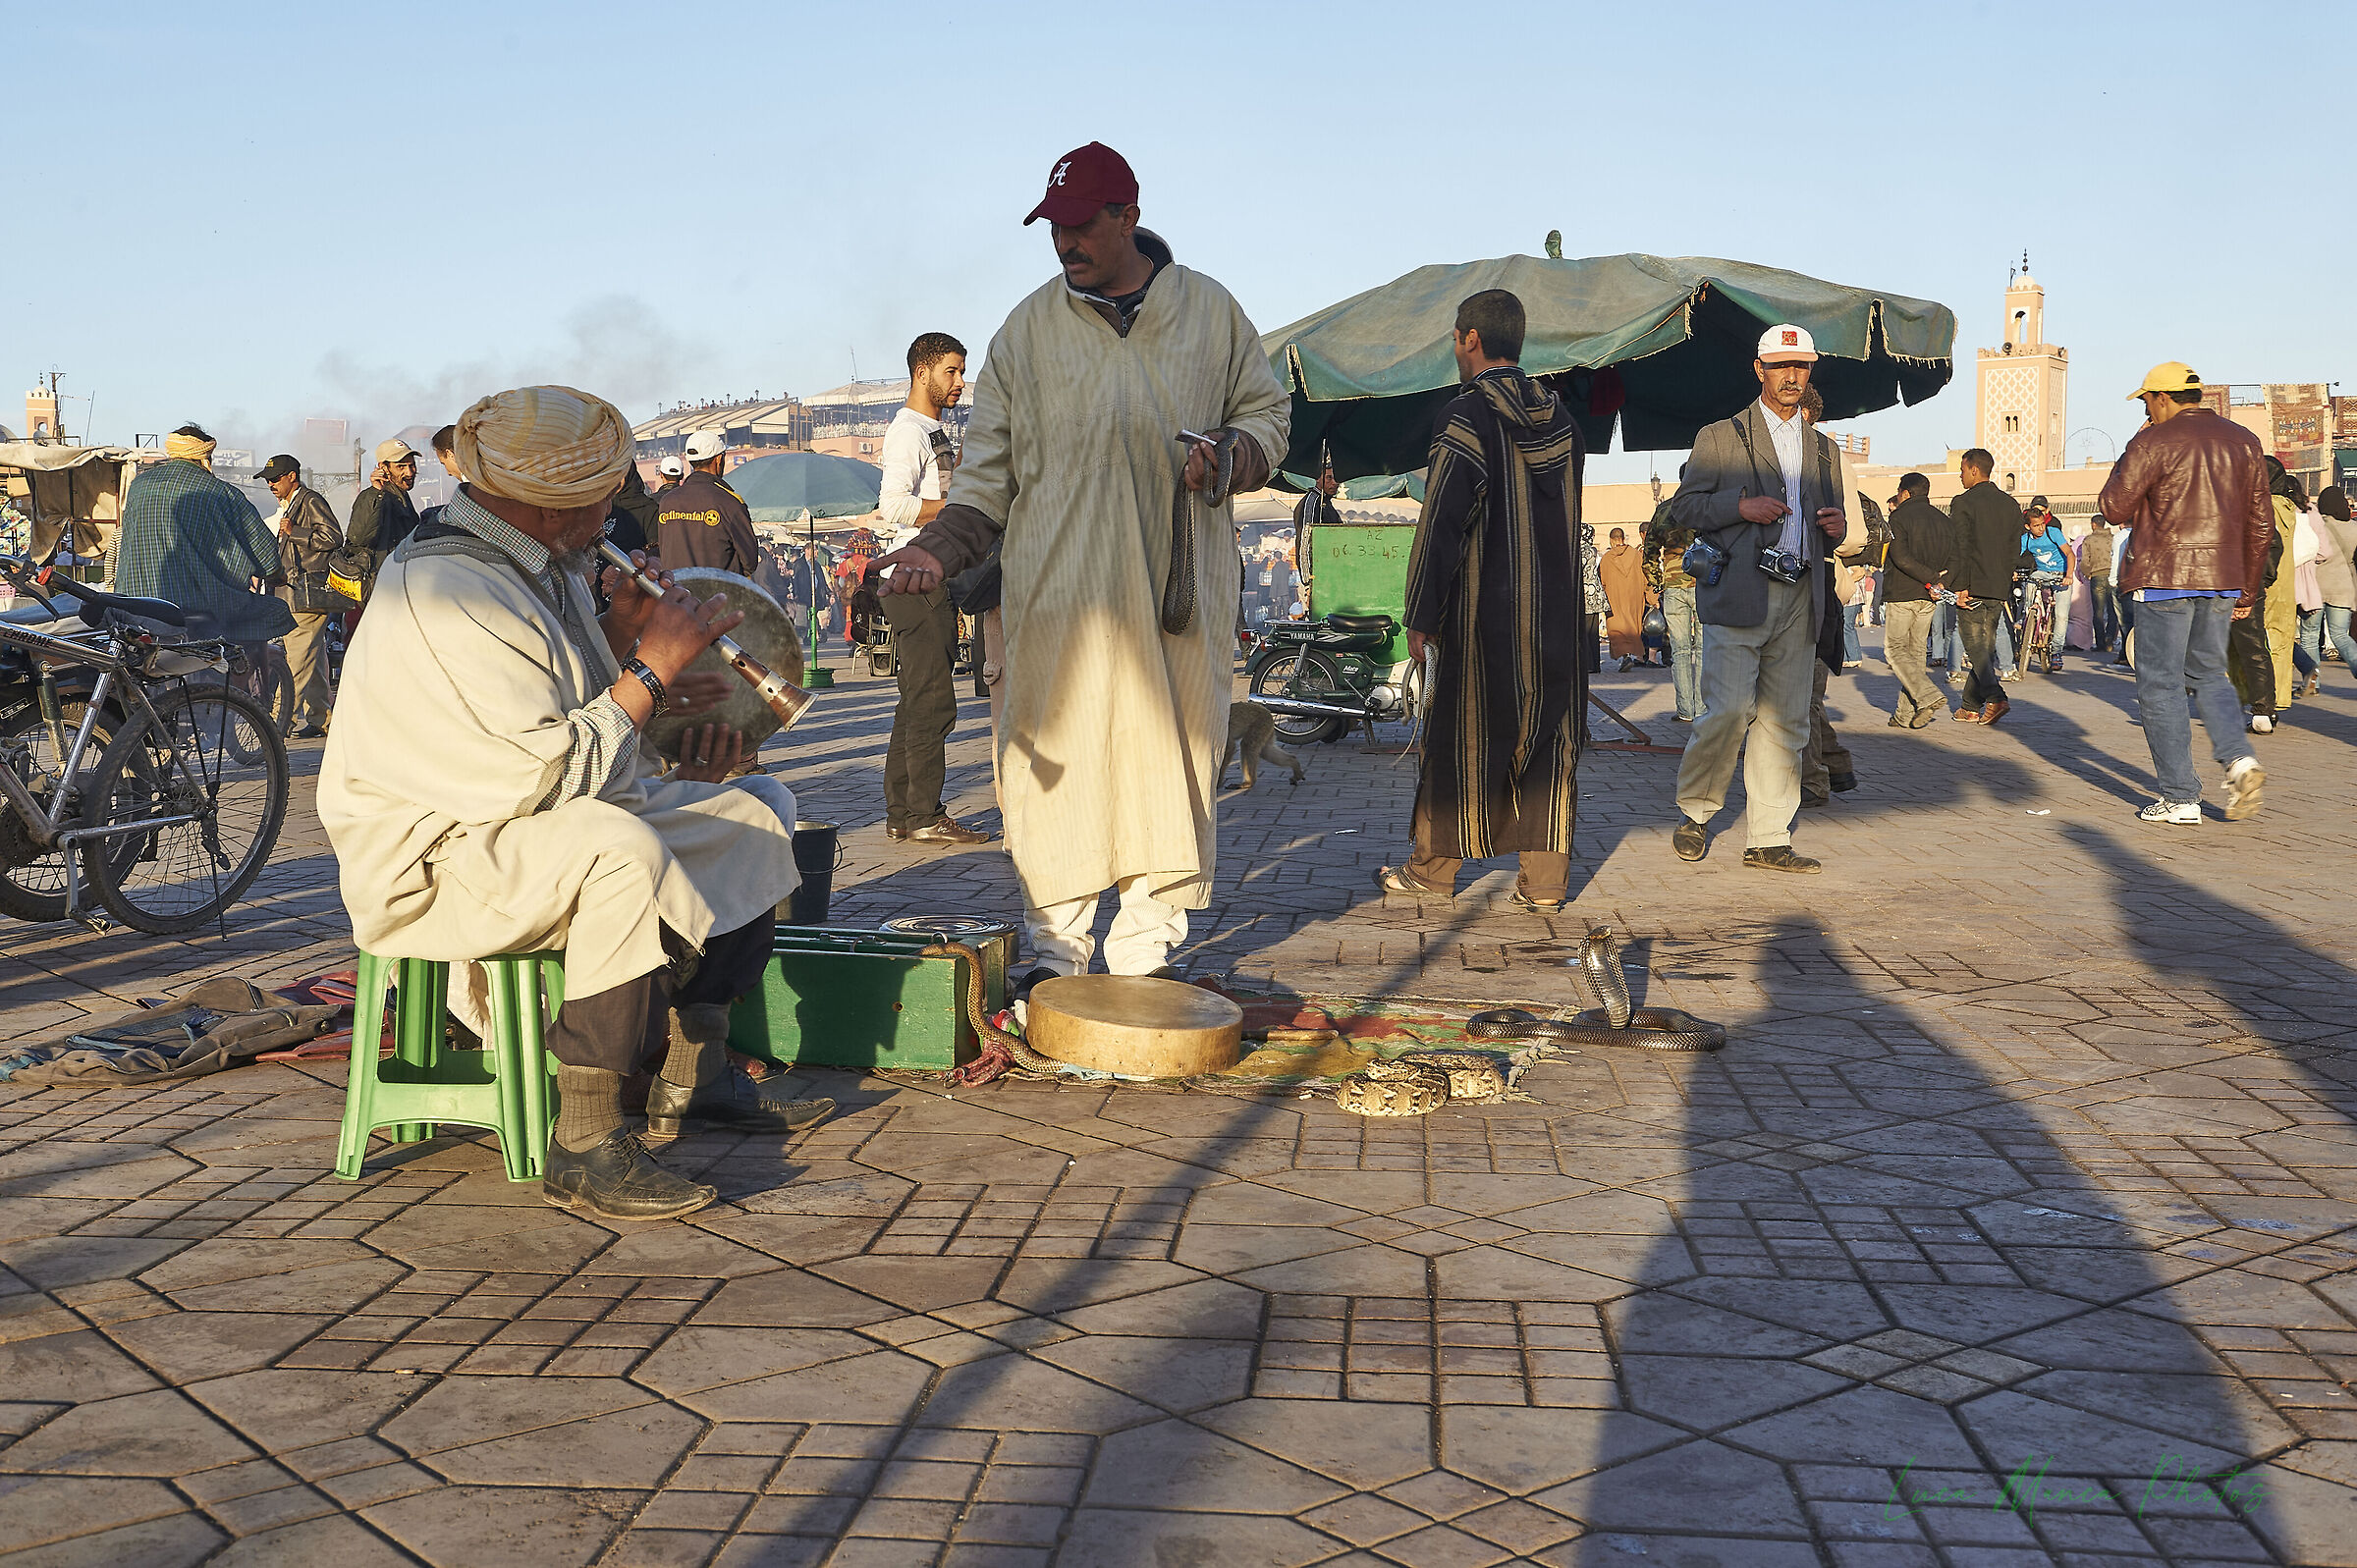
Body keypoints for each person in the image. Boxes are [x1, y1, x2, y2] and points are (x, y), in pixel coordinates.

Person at [317, 385, 830, 1223]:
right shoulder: (451, 588)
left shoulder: (536, 564)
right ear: (552, 505)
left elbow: (580, 717)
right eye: (601, 497)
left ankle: (694, 1074)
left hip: (527, 821)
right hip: (438, 853)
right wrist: (652, 668)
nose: (611, 516)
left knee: (757, 807)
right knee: (615, 848)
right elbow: (548, 779)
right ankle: (585, 1140)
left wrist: (629, 641)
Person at [870, 139, 1288, 983]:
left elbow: (1268, 419)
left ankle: (1143, 955)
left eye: (1081, 225)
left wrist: (1230, 453)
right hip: (1056, 601)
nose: (1064, 243)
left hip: (1174, 601)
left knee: (1169, 765)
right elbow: (986, 481)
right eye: (1053, 227)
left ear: (1127, 217)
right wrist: (934, 549)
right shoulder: (1025, 333)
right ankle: (1057, 954)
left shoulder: (1211, 313)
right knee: (1054, 773)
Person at [1371, 290, 1583, 913]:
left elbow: (1442, 522)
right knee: (1549, 739)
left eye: (1455, 339)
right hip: (1556, 614)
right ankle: (1545, 886)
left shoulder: (1465, 417)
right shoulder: (1564, 421)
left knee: (1462, 736)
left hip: (1482, 614)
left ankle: (1432, 873)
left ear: (1470, 339)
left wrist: (1421, 614)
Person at [1666, 325, 1848, 874]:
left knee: (1785, 720)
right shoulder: (1721, 437)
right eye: (1780, 366)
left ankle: (1768, 836)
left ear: (1810, 371)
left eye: (1801, 366)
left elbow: (1833, 520)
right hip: (1741, 592)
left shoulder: (1824, 448)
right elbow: (1684, 508)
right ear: (1759, 370)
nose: (1792, 376)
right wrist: (1739, 507)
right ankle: (1696, 811)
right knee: (1728, 711)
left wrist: (1837, 528)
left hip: (1802, 593)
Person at [2096, 361, 2267, 823]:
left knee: (2161, 684)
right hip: (2222, 578)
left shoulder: (2152, 441)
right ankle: (2239, 760)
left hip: (2163, 577)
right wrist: (2247, 590)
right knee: (2209, 674)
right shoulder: (2244, 441)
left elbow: (2113, 507)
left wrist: (2133, 449)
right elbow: (2260, 524)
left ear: (2163, 397)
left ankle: (2180, 797)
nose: (2146, 411)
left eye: (2147, 402)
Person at [876, 332, 987, 846]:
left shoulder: (931, 430)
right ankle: (924, 814)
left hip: (925, 578)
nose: (960, 382)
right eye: (951, 371)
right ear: (922, 373)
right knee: (933, 702)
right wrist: (961, 509)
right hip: (914, 578)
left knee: (917, 699)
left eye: (962, 371)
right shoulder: (908, 431)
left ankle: (904, 812)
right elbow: (894, 506)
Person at [116, 425, 295, 700]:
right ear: (205, 458)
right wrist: (275, 573)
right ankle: (237, 697)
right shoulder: (222, 493)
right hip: (196, 606)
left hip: (135, 602)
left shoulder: (139, 486)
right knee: (274, 611)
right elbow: (266, 557)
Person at [257, 454, 346, 738]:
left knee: (296, 662)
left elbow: (333, 537)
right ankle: (321, 718)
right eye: (268, 480)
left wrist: (295, 532)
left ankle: (277, 722)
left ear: (292, 477)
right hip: (294, 594)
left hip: (307, 594)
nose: (271, 484)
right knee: (312, 658)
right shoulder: (291, 504)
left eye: (275, 479)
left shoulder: (310, 500)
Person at [1946, 449, 2025, 725]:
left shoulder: (1963, 502)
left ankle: (1996, 696)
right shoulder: (2010, 505)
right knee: (1984, 648)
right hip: (1998, 586)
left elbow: (1961, 546)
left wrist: (1960, 586)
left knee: (1975, 647)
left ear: (1974, 470)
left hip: (1973, 585)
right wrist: (2004, 580)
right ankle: (1970, 706)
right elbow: (2015, 549)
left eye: (1962, 470)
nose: (1960, 476)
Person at [1879, 472, 1951, 728]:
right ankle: (1905, 714)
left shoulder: (1899, 517)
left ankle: (1928, 695)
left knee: (1895, 650)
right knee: (1916, 653)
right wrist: (1939, 582)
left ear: (1906, 493)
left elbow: (1901, 557)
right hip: (1929, 596)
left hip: (1903, 592)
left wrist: (1930, 578)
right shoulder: (1943, 520)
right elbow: (1955, 558)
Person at [654, 431, 760, 576]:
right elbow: (750, 562)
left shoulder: (667, 501)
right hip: (718, 589)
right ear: (718, 459)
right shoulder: (729, 503)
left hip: (675, 588)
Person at [1641, 500, 1701, 721]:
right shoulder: (1705, 503)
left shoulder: (1665, 508)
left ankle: (1685, 709)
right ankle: (1703, 708)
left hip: (1674, 583)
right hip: (1703, 581)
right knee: (1704, 649)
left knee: (1680, 650)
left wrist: (1657, 581)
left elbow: (1650, 550)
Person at [347, 437, 422, 596]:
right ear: (383, 468)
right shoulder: (372, 497)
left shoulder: (401, 496)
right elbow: (358, 538)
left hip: (398, 583)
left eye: (411, 465)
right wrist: (376, 493)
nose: (409, 472)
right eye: (401, 466)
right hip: (381, 589)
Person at [2304, 487, 2357, 691]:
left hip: (2315, 587)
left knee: (2310, 636)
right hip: (2343, 588)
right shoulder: (2353, 528)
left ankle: (2312, 683)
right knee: (2340, 635)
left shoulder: (2316, 525)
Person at [2019, 500, 2075, 673]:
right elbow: (2015, 557)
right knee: (2030, 581)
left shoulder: (2053, 533)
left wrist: (2068, 576)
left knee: (2061, 616)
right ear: (2028, 527)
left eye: (2042, 524)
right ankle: (2028, 615)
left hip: (2061, 575)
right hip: (2042, 573)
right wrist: (2012, 571)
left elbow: (2070, 554)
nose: (2041, 528)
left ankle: (2056, 651)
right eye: (2036, 526)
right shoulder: (2025, 539)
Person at [1601, 525, 1648, 670]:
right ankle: (1632, 655)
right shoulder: (1636, 555)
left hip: (1614, 600)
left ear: (1611, 540)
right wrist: (1652, 598)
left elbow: (1602, 581)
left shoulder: (1606, 559)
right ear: (1623, 538)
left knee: (1617, 629)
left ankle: (1625, 656)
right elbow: (1646, 578)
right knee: (1632, 627)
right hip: (1634, 599)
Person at [2080, 513, 2121, 656]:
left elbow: (2084, 561)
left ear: (2093, 525)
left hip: (2097, 576)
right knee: (2112, 611)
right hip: (2113, 576)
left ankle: (2100, 643)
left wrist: (2088, 573)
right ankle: (2110, 639)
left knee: (2098, 611)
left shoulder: (2089, 540)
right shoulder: (2113, 538)